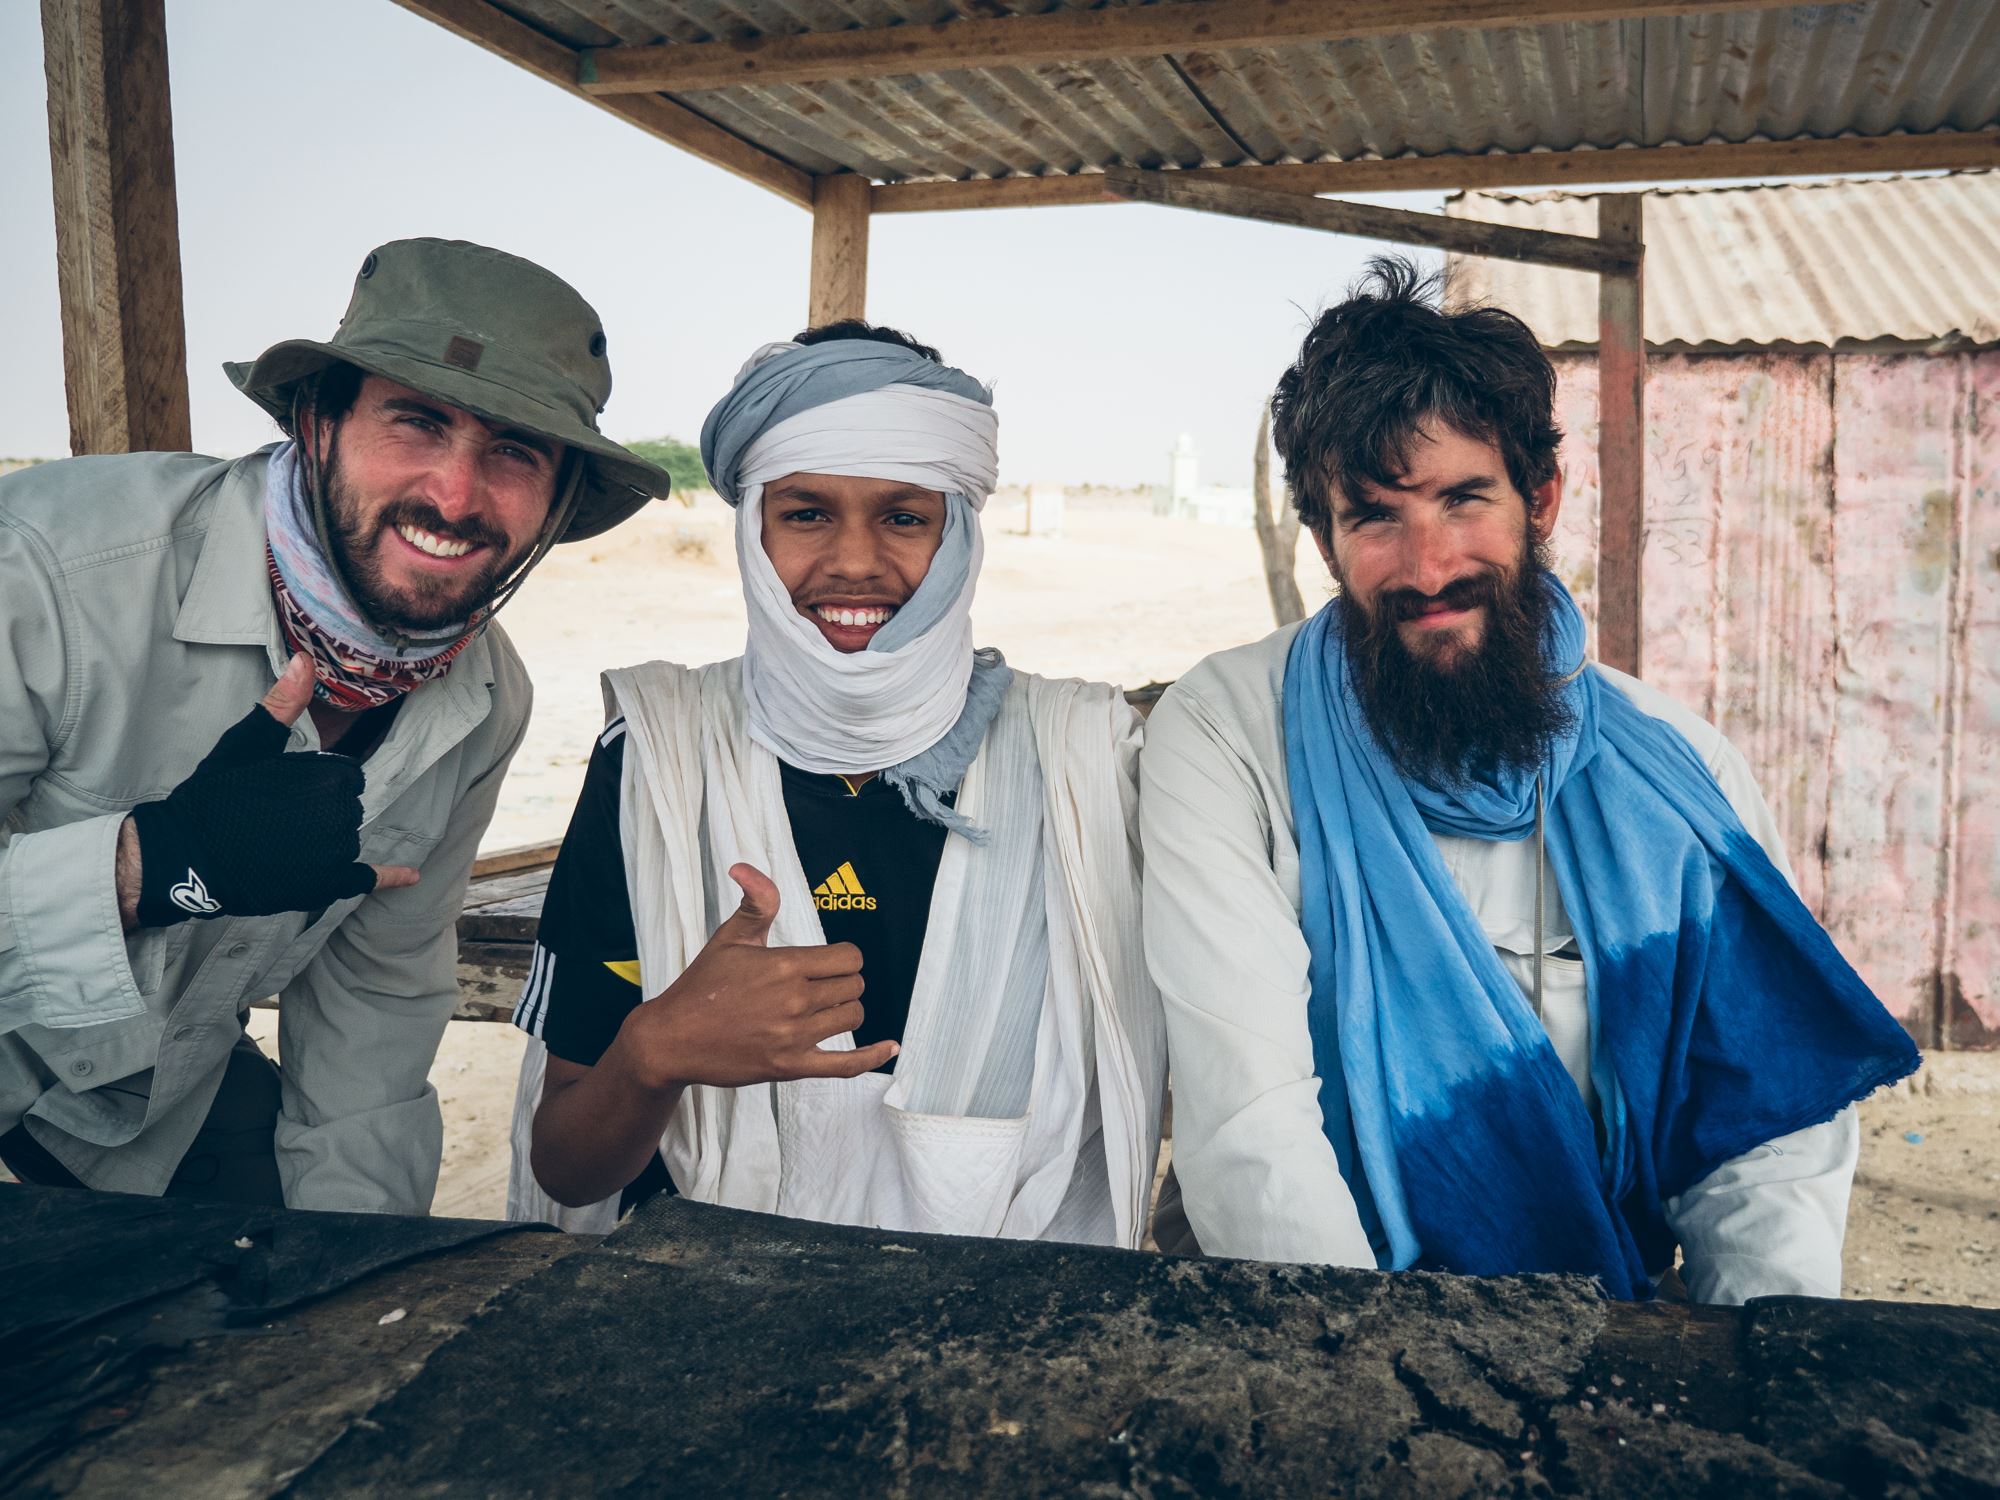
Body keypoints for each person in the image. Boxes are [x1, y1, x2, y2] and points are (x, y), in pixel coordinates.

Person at [1140, 259, 1918, 1301]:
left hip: (1601, 1316)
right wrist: (1362, 1388)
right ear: (1323, 541)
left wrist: (1755, 1364)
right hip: (1312, 1316)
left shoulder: (1673, 771)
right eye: (1374, 517)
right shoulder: (1229, 733)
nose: (1427, 565)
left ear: (1538, 498)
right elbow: (1249, 1126)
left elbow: (1760, 1130)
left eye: (1464, 498)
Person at [0, 238, 671, 1212]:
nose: (453, 493)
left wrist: (364, 1283)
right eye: (415, 421)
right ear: (318, 424)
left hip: (158, 1090)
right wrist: (151, 863)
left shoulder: (483, 704)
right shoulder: (49, 571)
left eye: (515, 453)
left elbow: (377, 1001)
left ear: (559, 502)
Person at [507, 323, 1166, 1245]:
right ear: (750, 529)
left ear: (960, 535)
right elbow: (567, 1163)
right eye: (807, 513)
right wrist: (657, 1052)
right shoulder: (657, 761)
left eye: (904, 516)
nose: (855, 561)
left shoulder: (1088, 760)